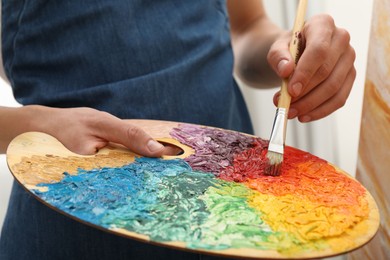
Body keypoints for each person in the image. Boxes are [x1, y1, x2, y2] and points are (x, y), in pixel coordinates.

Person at [0, 1, 356, 259]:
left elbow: (246, 29)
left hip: (227, 206)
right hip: (71, 213)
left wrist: (292, 53)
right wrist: (36, 125)